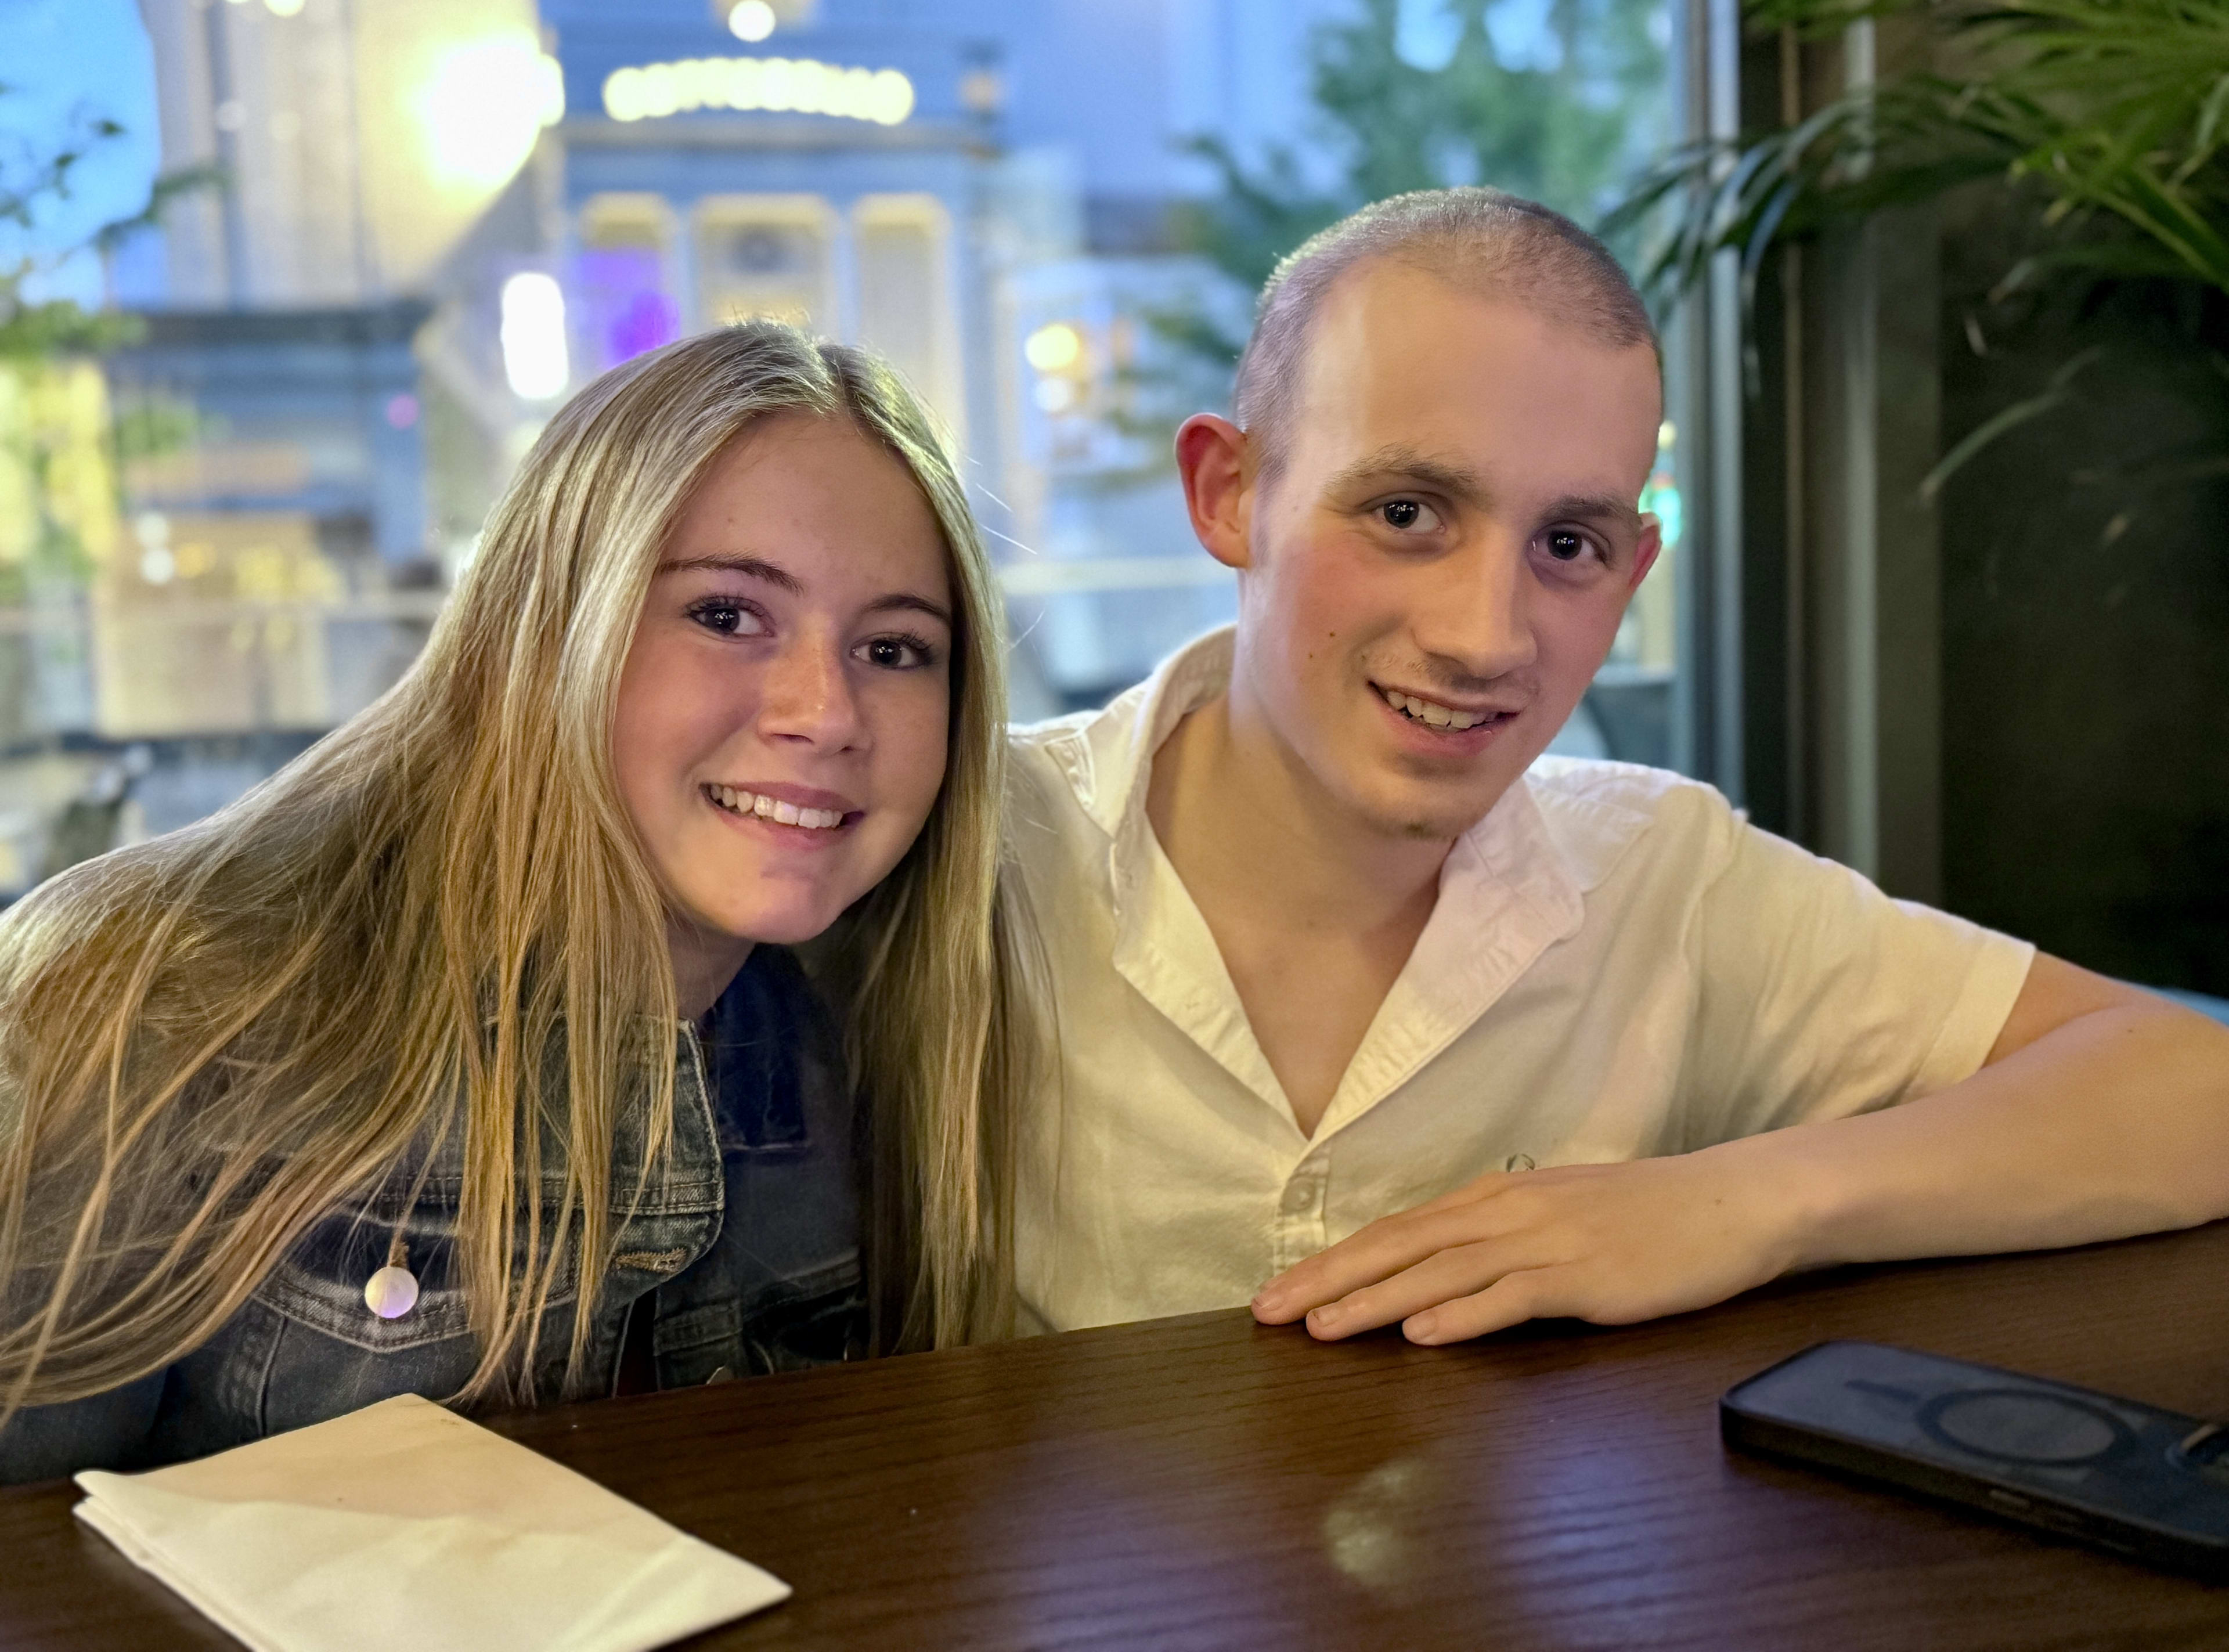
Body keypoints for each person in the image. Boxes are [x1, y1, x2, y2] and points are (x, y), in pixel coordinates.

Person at [1004, 187, 2229, 1341]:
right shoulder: (975, 849)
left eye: (1569, 542)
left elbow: (2197, 1090)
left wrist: (1739, 1203)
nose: (1485, 635)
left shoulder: (1664, 879)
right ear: (1229, 493)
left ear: (1633, 574)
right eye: (1405, 514)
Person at [0, 323, 1037, 1483]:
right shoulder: (151, 997)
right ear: (547, 633)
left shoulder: (884, 1003)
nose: (828, 712)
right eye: (728, 614)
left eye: (895, 649)